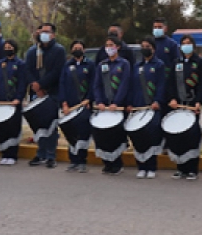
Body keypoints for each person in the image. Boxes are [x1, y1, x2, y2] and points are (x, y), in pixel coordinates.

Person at [25, 22, 66, 168]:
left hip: (51, 93)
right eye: (42, 31)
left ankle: (50, 155)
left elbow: (57, 72)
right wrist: (35, 85)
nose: (44, 34)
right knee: (38, 125)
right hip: (36, 93)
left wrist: (42, 85)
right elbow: (28, 70)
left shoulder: (58, 50)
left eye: (47, 31)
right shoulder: (32, 51)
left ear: (53, 34)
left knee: (51, 126)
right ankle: (40, 153)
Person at [166, 34, 202, 180]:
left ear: (193, 45)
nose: (186, 45)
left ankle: (192, 169)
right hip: (178, 106)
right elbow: (170, 83)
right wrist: (171, 98)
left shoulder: (200, 63)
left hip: (192, 106)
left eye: (189, 43)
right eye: (183, 43)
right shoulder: (176, 62)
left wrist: (198, 101)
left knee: (191, 137)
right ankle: (180, 168)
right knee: (178, 137)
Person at [128, 36, 166, 179]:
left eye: (147, 46)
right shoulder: (137, 66)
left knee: (151, 137)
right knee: (139, 137)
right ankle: (141, 166)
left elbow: (161, 85)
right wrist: (130, 103)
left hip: (152, 107)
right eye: (143, 46)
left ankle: (151, 167)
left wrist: (157, 100)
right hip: (138, 106)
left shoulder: (159, 65)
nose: (145, 48)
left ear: (153, 49)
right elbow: (132, 87)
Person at [93, 35, 131, 175]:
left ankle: (117, 163)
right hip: (104, 107)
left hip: (117, 107)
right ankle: (107, 162)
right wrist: (99, 102)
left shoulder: (124, 64)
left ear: (118, 47)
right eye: (107, 45)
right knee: (102, 135)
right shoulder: (102, 64)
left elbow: (124, 85)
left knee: (115, 135)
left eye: (111, 45)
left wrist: (117, 102)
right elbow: (96, 85)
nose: (108, 48)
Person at [58, 40, 95, 172]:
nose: (77, 50)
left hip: (84, 105)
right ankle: (73, 160)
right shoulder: (67, 65)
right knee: (71, 134)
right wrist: (64, 102)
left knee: (83, 134)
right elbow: (62, 84)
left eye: (80, 48)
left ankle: (82, 161)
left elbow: (93, 84)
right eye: (75, 48)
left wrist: (89, 99)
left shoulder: (90, 65)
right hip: (70, 105)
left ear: (84, 50)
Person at [0, 39, 27, 166]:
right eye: (5, 47)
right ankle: (4, 154)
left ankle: (12, 155)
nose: (7, 49)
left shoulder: (20, 64)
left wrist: (18, 98)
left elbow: (22, 83)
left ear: (15, 48)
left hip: (13, 103)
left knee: (13, 128)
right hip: (0, 102)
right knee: (2, 128)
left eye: (10, 46)